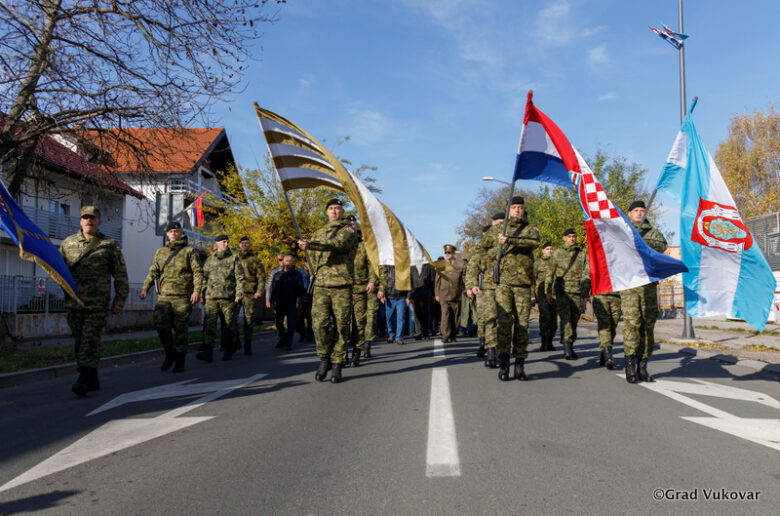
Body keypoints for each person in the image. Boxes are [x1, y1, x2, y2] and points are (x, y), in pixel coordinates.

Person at [60, 206, 129, 397]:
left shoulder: (109, 244)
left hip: (97, 303)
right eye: (85, 218)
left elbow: (120, 275)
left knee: (90, 339)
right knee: (79, 341)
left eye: (93, 218)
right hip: (74, 302)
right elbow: (59, 272)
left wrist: (120, 300)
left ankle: (83, 377)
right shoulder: (67, 244)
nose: (89, 221)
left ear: (99, 221)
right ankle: (92, 375)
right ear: (80, 221)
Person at [298, 198, 358, 383]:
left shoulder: (348, 230)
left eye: (337, 208)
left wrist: (311, 245)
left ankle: (338, 363)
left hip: (341, 284)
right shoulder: (318, 233)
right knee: (319, 325)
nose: (334, 211)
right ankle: (324, 358)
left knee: (342, 326)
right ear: (326, 212)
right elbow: (314, 258)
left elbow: (338, 245)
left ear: (341, 211)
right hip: (322, 285)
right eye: (331, 208)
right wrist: (313, 269)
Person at [140, 221, 202, 373]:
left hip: (182, 297)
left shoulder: (189, 251)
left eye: (177, 231)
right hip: (164, 297)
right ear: (167, 234)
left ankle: (180, 359)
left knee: (180, 329)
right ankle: (170, 353)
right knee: (161, 325)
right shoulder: (160, 252)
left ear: (181, 233)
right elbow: (153, 271)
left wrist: (197, 291)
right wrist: (145, 288)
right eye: (171, 231)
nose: (174, 233)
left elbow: (197, 272)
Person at [620, 200, 667, 383]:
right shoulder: (623, 231)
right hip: (630, 285)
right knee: (632, 324)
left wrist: (640, 241)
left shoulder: (653, 233)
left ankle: (643, 366)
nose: (639, 214)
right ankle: (630, 365)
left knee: (648, 325)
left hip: (648, 284)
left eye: (642, 211)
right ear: (629, 213)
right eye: (636, 211)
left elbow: (661, 246)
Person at [495, 196, 540, 381]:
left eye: (520, 207)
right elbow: (483, 249)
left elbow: (534, 243)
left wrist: (511, 240)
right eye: (514, 207)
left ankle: (520, 364)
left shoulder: (530, 230)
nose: (517, 210)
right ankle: (504, 364)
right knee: (504, 324)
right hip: (503, 283)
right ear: (508, 210)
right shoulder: (497, 230)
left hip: (522, 284)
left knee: (522, 325)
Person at [546, 228, 591, 361]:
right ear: (564, 238)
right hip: (562, 291)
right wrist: (548, 291)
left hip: (576, 292)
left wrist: (585, 292)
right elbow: (550, 272)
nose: (572, 239)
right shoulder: (557, 253)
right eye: (569, 236)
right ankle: (567, 348)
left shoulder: (582, 254)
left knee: (574, 319)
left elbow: (586, 273)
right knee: (565, 319)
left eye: (574, 236)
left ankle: (570, 343)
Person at [198, 234, 245, 362]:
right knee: (209, 326)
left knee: (229, 325)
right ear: (217, 244)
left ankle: (228, 349)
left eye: (227, 242)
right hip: (211, 298)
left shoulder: (234, 259)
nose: (226, 244)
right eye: (223, 242)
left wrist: (238, 294)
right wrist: (201, 293)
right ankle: (208, 352)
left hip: (227, 298)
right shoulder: (209, 260)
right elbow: (203, 277)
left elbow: (240, 278)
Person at [347, 216, 378, 366]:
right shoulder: (339, 244)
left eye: (353, 224)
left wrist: (372, 281)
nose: (351, 226)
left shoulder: (363, 245)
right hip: (342, 288)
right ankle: (341, 354)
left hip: (361, 288)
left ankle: (359, 350)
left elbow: (372, 265)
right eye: (349, 224)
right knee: (343, 323)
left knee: (361, 321)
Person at [466, 223, 499, 365]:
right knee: (486, 319)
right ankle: (486, 347)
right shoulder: (481, 251)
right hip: (486, 290)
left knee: (502, 321)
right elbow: (472, 269)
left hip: (505, 288)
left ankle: (498, 348)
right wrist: (471, 286)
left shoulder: (505, 247)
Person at [236, 236, 266, 355]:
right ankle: (236, 341)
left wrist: (259, 291)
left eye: (246, 243)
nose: (244, 245)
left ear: (250, 245)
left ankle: (247, 344)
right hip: (236, 292)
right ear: (239, 245)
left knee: (248, 320)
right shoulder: (234, 258)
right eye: (242, 243)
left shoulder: (255, 259)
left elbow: (261, 276)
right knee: (231, 319)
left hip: (249, 292)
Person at [269, 254, 304, 350]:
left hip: (292, 303)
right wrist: (271, 302)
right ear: (283, 262)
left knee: (291, 324)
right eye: (287, 260)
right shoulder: (277, 275)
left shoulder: (297, 275)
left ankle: (288, 342)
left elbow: (300, 290)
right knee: (279, 323)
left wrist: (298, 301)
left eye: (291, 261)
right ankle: (283, 338)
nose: (289, 262)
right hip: (280, 303)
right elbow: (273, 289)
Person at [435, 244, 466, 343]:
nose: (447, 254)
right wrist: (436, 294)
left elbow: (464, 278)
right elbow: (437, 281)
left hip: (456, 294)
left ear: (453, 253)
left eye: (449, 253)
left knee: (456, 317)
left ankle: (453, 334)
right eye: (446, 253)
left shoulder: (460, 264)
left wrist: (468, 289)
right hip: (443, 294)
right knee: (445, 315)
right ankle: (445, 334)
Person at [533, 241, 557, 351]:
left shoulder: (557, 262)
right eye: (547, 249)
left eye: (551, 249)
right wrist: (532, 294)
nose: (550, 251)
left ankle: (550, 342)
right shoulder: (537, 263)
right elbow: (532, 279)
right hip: (541, 293)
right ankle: (543, 342)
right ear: (543, 250)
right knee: (544, 317)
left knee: (553, 318)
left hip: (555, 293)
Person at [382, 265, 411, 345]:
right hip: (389, 297)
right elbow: (382, 282)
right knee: (389, 317)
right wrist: (382, 294)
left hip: (401, 297)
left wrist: (408, 297)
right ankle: (391, 334)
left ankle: (399, 338)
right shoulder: (386, 269)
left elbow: (409, 283)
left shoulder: (404, 269)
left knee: (401, 318)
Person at [593, 291, 621, 369]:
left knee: (612, 327)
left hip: (617, 297)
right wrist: (585, 292)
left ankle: (604, 356)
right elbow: (588, 278)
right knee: (604, 326)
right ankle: (608, 355)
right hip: (601, 295)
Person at [296, 257, 314, 342]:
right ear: (304, 262)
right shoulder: (299, 272)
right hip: (301, 297)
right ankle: (302, 334)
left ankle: (309, 335)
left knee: (310, 318)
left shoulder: (314, 273)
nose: (309, 264)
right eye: (307, 262)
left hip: (311, 297)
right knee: (300, 318)